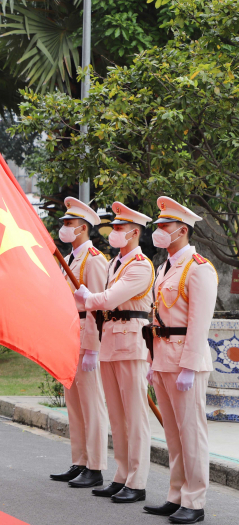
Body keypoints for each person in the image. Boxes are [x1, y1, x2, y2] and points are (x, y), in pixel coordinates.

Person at [142, 197, 217, 524]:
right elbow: (156, 316)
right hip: (163, 359)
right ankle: (176, 495)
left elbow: (200, 323)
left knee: (191, 433)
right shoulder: (164, 267)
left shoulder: (199, 268)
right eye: (158, 226)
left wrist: (188, 366)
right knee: (172, 433)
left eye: (164, 227)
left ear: (182, 230)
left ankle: (194, 501)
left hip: (186, 363)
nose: (158, 231)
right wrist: (151, 360)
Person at [74, 202, 154, 504]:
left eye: (120, 228)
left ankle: (137, 481)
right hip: (110, 342)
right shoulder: (114, 264)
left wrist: (88, 297)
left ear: (134, 233)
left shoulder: (141, 265)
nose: (114, 232)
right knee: (118, 417)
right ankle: (121, 475)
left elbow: (111, 298)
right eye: (114, 227)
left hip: (132, 344)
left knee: (135, 417)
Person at [49, 197, 109, 489]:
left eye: (69, 223)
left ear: (83, 227)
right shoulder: (69, 259)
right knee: (73, 404)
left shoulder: (94, 259)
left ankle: (95, 466)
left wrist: (93, 349)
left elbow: (98, 307)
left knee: (92, 404)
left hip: (86, 336)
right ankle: (80, 461)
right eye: (63, 223)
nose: (64, 228)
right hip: (69, 334)